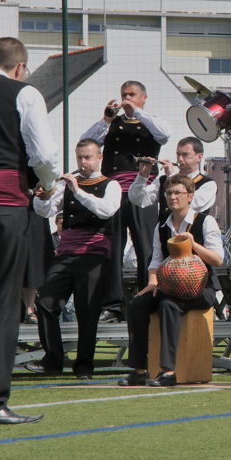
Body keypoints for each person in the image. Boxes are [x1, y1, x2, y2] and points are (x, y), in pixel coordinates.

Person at [0, 36, 59, 424]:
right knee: (4, 302)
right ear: (20, 67)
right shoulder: (25, 94)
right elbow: (45, 155)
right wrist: (48, 183)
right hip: (5, 206)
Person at [27, 140, 121, 378]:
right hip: (67, 253)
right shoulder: (68, 185)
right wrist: (44, 194)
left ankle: (84, 366)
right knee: (46, 304)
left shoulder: (111, 185)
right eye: (80, 157)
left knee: (87, 311)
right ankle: (53, 360)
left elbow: (106, 210)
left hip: (94, 255)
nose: (83, 162)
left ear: (100, 157)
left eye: (88, 157)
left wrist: (77, 190)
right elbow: (45, 211)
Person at [119, 174, 224, 387]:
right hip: (169, 287)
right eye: (169, 193)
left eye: (178, 193)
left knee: (168, 305)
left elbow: (218, 259)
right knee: (137, 304)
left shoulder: (205, 221)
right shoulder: (162, 226)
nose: (173, 197)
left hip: (203, 289)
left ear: (190, 196)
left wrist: (194, 244)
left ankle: (168, 371)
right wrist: (152, 282)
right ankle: (139, 369)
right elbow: (155, 260)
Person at [81, 80, 171, 316]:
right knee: (112, 247)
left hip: (143, 192)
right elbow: (86, 143)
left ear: (143, 97)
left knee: (146, 246)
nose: (127, 98)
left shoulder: (151, 121)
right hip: (113, 192)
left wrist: (137, 113)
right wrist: (106, 119)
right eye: (124, 95)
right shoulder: (112, 124)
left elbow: (164, 135)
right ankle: (112, 304)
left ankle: (146, 297)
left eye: (132, 94)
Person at [128, 136, 216, 221]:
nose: (180, 159)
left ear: (199, 157)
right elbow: (139, 199)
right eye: (178, 154)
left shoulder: (208, 184)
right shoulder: (163, 180)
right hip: (165, 234)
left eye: (185, 155)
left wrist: (172, 176)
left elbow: (189, 204)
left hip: (190, 235)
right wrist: (142, 176)